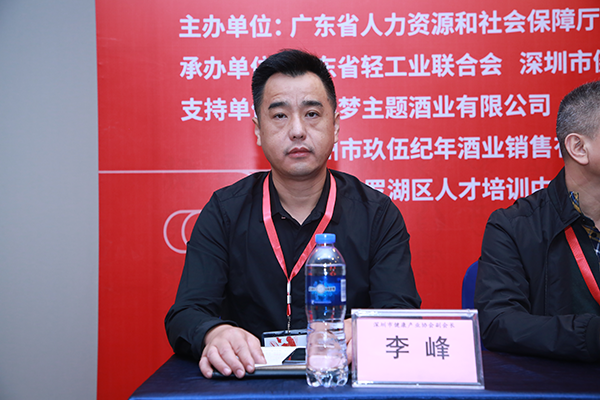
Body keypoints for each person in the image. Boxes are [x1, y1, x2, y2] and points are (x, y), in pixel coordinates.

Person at [164, 49, 421, 378]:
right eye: (280, 115)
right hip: (248, 383)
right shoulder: (224, 212)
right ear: (258, 130)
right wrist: (214, 333)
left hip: (342, 382)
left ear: (335, 125)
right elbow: (186, 313)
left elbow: (400, 312)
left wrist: (368, 328)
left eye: (312, 113)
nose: (297, 130)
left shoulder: (378, 215)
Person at [475, 80, 600, 362]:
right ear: (578, 147)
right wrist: (590, 334)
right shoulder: (515, 226)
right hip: (558, 380)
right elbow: (498, 323)